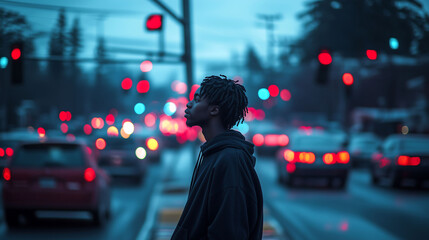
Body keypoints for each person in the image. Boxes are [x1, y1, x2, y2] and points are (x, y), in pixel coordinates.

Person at [171, 75, 263, 240]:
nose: (189, 104)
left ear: (214, 110)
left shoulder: (230, 160)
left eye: (197, 100)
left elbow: (229, 233)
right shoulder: (215, 154)